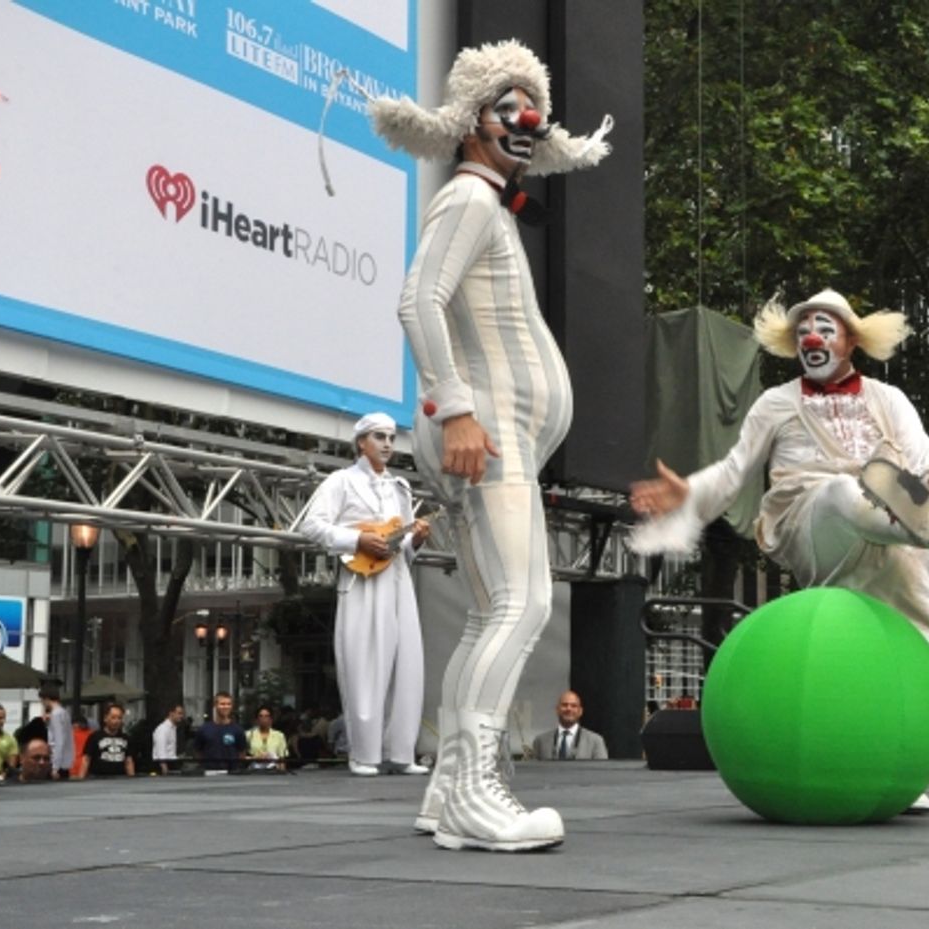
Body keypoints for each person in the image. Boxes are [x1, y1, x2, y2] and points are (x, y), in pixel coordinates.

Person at [368, 38, 612, 852]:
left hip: (502, 437)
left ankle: (448, 789)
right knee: (523, 603)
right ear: (473, 121)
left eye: (529, 107)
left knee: (489, 610)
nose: (525, 120)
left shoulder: (481, 203)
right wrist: (460, 410)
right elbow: (417, 303)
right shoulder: (470, 200)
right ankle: (475, 787)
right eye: (505, 106)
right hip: (487, 434)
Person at [630, 288, 929, 810]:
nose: (813, 337)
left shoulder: (888, 400)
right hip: (812, 517)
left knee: (921, 639)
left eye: (826, 329)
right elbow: (734, 472)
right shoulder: (775, 404)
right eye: (806, 329)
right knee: (843, 492)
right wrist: (687, 493)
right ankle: (920, 520)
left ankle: (908, 766)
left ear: (851, 340)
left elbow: (923, 457)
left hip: (894, 539)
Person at [300, 412, 430, 777]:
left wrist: (416, 539)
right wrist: (357, 538)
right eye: (379, 436)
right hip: (361, 580)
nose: (387, 443)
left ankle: (402, 752)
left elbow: (401, 543)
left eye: (391, 437)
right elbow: (311, 524)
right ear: (361, 442)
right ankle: (364, 753)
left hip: (398, 580)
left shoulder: (401, 487)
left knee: (407, 661)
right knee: (363, 663)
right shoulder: (340, 481)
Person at [532, 691, 608, 761]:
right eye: (564, 705)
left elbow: (601, 773)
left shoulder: (595, 741)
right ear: (557, 710)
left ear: (580, 711)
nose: (569, 709)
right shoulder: (540, 741)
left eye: (573, 706)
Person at [192, 692, 247, 772]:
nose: (225, 707)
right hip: (209, 773)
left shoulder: (238, 730)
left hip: (231, 774)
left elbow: (242, 753)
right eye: (222, 704)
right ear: (215, 705)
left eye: (228, 704)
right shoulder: (204, 729)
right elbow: (197, 752)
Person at [76, 703, 135, 778]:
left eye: (119, 718)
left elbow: (129, 761)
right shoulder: (95, 737)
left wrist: (132, 779)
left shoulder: (126, 738)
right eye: (113, 717)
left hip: (120, 780)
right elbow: (86, 760)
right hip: (97, 779)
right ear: (105, 718)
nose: (116, 721)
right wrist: (81, 780)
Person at [38, 684, 73, 779]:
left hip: (57, 763)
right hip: (65, 761)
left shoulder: (55, 715)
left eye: (42, 700)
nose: (42, 703)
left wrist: (55, 767)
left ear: (47, 699)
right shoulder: (64, 713)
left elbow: (58, 741)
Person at [246, 705, 288, 771]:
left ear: (271, 719)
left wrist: (282, 773)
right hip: (254, 771)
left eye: (266, 716)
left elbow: (282, 759)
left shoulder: (279, 735)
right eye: (261, 716)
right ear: (257, 719)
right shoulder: (248, 734)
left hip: (274, 771)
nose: (263, 719)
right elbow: (242, 757)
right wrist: (255, 758)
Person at [151, 701, 185, 775]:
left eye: (182, 713)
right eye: (179, 713)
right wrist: (165, 772)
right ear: (171, 713)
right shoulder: (162, 729)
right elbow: (161, 753)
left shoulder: (173, 729)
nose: (181, 716)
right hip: (164, 767)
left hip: (171, 764)